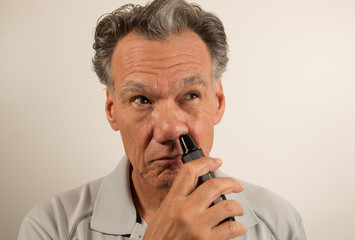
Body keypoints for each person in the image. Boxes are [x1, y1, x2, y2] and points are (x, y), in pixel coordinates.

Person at [18, 0, 306, 239]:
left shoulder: (279, 224)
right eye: (141, 100)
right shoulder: (50, 227)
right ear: (111, 110)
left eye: (191, 95)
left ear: (217, 103)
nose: (169, 129)